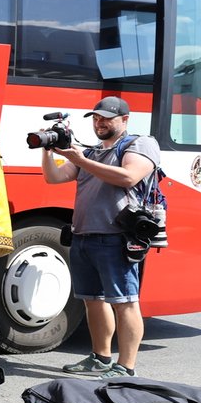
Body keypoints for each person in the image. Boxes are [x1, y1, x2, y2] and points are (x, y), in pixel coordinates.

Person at [41, 95, 160, 379]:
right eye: (96, 118)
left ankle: (126, 366)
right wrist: (48, 148)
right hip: (83, 236)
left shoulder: (139, 144)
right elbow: (53, 178)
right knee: (93, 300)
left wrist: (81, 158)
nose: (100, 123)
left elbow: (128, 177)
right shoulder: (92, 152)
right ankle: (100, 357)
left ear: (125, 120)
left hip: (116, 237)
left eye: (106, 117)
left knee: (125, 301)